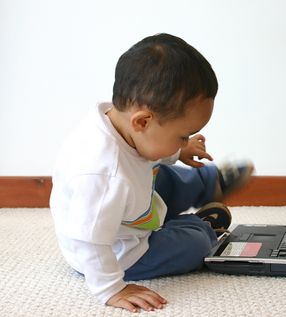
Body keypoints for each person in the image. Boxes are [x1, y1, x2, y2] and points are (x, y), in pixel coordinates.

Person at [50, 33, 253, 313]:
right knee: (192, 244)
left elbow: (148, 145)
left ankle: (207, 184)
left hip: (129, 209)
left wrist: (176, 151)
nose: (186, 141)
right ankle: (203, 226)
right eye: (182, 136)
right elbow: (90, 241)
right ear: (143, 120)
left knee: (162, 170)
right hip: (119, 251)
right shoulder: (103, 174)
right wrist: (111, 289)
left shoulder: (121, 122)